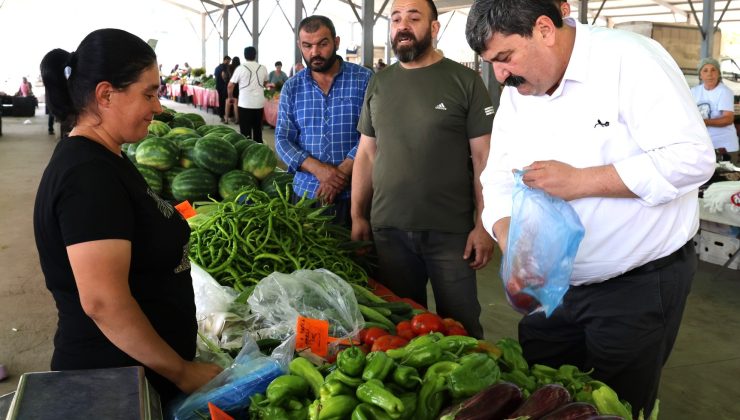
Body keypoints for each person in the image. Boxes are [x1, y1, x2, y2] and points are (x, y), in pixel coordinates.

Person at [465, 0, 716, 416]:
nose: (500, 75)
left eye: (505, 58)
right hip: (551, 289)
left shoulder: (628, 60)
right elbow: (496, 177)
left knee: (614, 405)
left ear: (544, 29)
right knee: (542, 396)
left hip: (633, 287)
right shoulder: (519, 92)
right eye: (491, 62)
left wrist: (581, 181)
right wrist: (509, 234)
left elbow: (692, 159)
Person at [35, 28, 222, 405]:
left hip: (135, 375)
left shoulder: (108, 157)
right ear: (106, 95)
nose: (158, 107)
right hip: (112, 385)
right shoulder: (87, 177)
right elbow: (103, 302)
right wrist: (182, 372)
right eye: (148, 93)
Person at [351, 0, 495, 339]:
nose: (402, 25)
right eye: (396, 18)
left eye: (413, 18)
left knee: (461, 329)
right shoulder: (379, 83)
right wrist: (358, 215)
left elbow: (484, 159)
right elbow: (367, 154)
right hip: (389, 231)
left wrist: (484, 224)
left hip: (451, 234)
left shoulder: (465, 82)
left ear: (434, 28)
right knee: (398, 329)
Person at [275, 15, 373, 226]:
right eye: (307, 45)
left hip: (355, 195)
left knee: (355, 257)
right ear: (299, 45)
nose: (315, 52)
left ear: (336, 42)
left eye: (323, 44)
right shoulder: (292, 87)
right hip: (305, 196)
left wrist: (341, 174)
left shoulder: (364, 79)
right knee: (307, 258)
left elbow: (375, 132)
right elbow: (282, 140)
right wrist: (320, 170)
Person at [691, 57, 739, 163]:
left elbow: (727, 119)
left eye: (713, 70)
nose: (710, 74)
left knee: (726, 176)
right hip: (704, 146)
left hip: (725, 147)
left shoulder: (724, 92)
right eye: (705, 70)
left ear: (718, 74)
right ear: (700, 75)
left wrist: (703, 122)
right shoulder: (694, 92)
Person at [228, 46, 268, 142]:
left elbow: (230, 85)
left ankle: (247, 151)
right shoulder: (263, 68)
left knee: (245, 133)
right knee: (258, 130)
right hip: (259, 104)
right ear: (255, 55)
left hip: (245, 104)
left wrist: (230, 97)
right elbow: (265, 83)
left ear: (244, 55)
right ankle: (259, 150)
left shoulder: (240, 68)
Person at [214, 55, 231, 123]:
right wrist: (225, 81)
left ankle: (221, 116)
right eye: (229, 61)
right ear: (225, 60)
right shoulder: (224, 67)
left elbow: (215, 76)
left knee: (220, 101)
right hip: (223, 86)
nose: (229, 63)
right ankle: (223, 116)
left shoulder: (217, 67)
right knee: (224, 102)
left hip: (218, 86)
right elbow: (223, 74)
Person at [224, 57, 240, 125]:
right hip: (236, 87)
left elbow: (224, 76)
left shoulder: (229, 67)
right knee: (235, 104)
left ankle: (226, 119)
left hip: (229, 86)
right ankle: (237, 119)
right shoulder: (239, 68)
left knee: (228, 103)